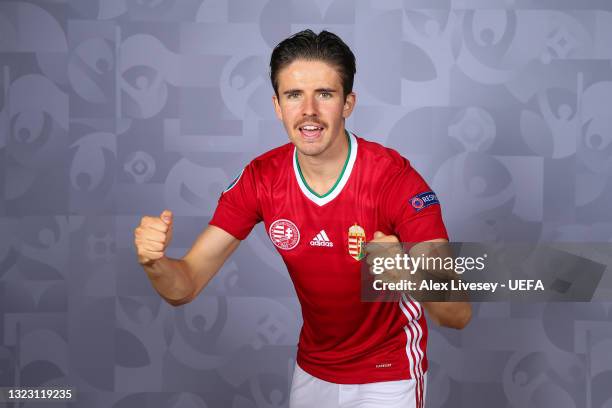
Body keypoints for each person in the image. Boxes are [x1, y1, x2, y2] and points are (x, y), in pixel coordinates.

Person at [134, 29, 471, 408]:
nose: (308, 110)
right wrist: (155, 263)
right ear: (278, 106)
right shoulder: (261, 179)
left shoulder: (395, 180)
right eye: (294, 95)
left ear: (348, 103)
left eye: (324, 94)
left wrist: (406, 271)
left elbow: (456, 313)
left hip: (388, 371)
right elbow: (187, 285)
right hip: (313, 370)